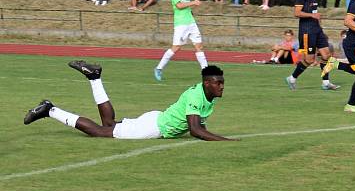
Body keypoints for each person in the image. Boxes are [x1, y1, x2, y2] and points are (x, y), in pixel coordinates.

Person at [23, 60, 235, 141]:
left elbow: (200, 123)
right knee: (100, 131)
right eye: (219, 83)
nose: (222, 86)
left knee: (109, 125)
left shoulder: (208, 95)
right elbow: (195, 130)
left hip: (156, 119)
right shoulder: (195, 95)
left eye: (222, 83)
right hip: (154, 127)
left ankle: (95, 78)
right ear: (207, 83)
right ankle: (50, 110)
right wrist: (226, 142)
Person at [285, 0, 340, 91]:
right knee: (309, 59)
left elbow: (315, 14)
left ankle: (326, 82)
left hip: (317, 30)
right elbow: (297, 13)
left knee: (326, 55)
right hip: (307, 31)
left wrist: (320, 27)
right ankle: (292, 78)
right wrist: (312, 16)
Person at [154, 0, 207, 81]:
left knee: (199, 46)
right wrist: (193, 2)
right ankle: (159, 68)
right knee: (176, 48)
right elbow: (179, 6)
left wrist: (192, 9)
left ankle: (206, 73)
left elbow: (186, 5)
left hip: (191, 22)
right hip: (181, 23)